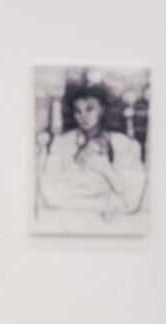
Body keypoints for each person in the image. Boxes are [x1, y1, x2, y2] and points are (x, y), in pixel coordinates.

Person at [38, 83, 147, 222]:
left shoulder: (125, 144)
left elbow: (132, 201)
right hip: (68, 218)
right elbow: (51, 196)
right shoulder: (62, 143)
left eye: (89, 109)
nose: (83, 116)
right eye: (78, 111)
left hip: (112, 221)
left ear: (102, 109)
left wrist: (104, 168)